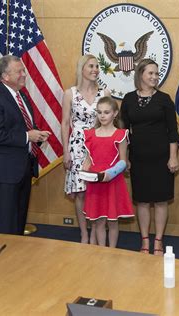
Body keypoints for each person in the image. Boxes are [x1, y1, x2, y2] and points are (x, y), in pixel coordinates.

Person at [0, 55, 51, 235]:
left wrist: (37, 135)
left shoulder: (22, 97)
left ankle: (17, 258)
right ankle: (6, 259)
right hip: (5, 171)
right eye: (19, 71)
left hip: (23, 168)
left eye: (23, 70)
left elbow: (24, 126)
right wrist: (28, 136)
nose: (24, 74)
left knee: (19, 219)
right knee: (9, 222)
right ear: (5, 76)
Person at [121, 59, 179, 256]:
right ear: (140, 75)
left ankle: (158, 241)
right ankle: (145, 240)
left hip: (162, 158)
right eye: (151, 73)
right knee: (143, 201)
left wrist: (173, 158)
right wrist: (125, 158)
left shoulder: (165, 99)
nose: (155, 77)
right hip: (138, 158)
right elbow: (124, 134)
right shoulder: (128, 99)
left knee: (162, 201)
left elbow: (173, 132)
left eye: (156, 73)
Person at [61, 54, 110, 243]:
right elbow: (65, 123)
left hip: (99, 145)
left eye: (97, 66)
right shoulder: (70, 93)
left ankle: (98, 231)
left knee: (97, 191)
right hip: (76, 146)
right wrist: (66, 151)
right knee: (80, 192)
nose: (95, 70)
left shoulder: (104, 92)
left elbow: (110, 121)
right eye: (91, 66)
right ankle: (84, 232)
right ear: (81, 69)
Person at [81, 96, 134, 247]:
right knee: (98, 221)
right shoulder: (90, 134)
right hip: (96, 182)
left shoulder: (121, 134)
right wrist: (85, 166)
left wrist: (110, 173)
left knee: (112, 221)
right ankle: (101, 251)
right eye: (99, 112)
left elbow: (123, 161)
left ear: (115, 113)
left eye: (106, 112)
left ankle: (112, 251)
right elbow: (89, 159)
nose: (102, 115)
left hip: (113, 181)